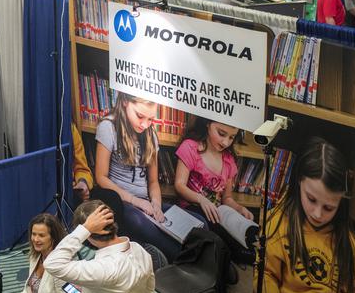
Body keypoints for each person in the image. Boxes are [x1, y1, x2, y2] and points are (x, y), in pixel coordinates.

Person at [263, 138, 355, 293]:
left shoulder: (349, 242)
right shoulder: (279, 224)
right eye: (311, 199)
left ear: (341, 202)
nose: (318, 214)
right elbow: (265, 273)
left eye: (329, 207)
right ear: (298, 182)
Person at [93, 93, 178, 260]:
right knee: (138, 222)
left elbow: (153, 182)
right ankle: (185, 258)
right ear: (125, 102)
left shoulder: (150, 134)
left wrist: (156, 205)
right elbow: (101, 178)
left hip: (146, 202)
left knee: (197, 221)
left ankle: (185, 254)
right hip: (123, 202)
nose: (145, 124)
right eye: (140, 116)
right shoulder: (108, 127)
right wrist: (136, 201)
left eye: (151, 119)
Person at [173, 116, 253, 225]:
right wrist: (201, 200)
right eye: (221, 134)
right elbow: (179, 185)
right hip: (191, 212)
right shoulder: (190, 148)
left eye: (231, 137)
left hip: (217, 216)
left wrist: (239, 208)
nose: (225, 143)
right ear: (208, 123)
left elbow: (227, 198)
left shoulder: (229, 160)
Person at [72, 123, 93, 203]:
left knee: (112, 198)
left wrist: (83, 182)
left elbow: (82, 169)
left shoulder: (70, 129)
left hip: (74, 190)